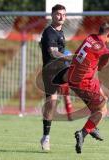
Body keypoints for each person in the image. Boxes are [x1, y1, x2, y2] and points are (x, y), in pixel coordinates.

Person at [65, 22, 109, 154]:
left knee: (105, 94)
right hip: (84, 82)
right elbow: (102, 66)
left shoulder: (90, 37)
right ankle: (83, 133)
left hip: (77, 76)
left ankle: (92, 126)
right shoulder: (103, 49)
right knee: (102, 110)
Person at [40, 4, 73, 151]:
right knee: (51, 104)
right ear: (52, 15)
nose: (61, 17)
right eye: (59, 14)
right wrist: (69, 57)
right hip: (50, 73)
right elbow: (53, 53)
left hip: (61, 70)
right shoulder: (49, 32)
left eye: (64, 15)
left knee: (77, 77)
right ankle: (46, 137)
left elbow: (61, 51)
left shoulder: (61, 32)